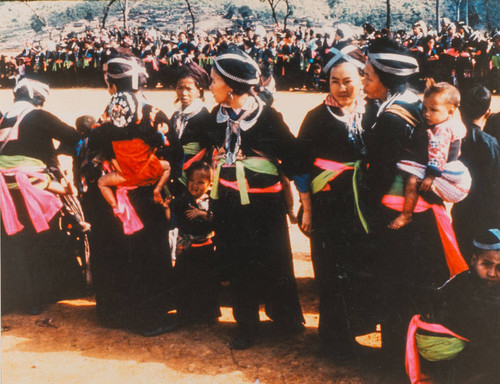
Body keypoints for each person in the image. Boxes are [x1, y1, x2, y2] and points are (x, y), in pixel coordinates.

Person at [362, 37, 469, 367]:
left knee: (396, 290)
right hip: (426, 216)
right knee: (414, 289)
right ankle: (410, 357)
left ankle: (397, 360)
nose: (364, 81)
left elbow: (377, 176)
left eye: (367, 76)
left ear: (386, 79)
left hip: (401, 217)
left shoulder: (394, 118)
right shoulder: (415, 105)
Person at [208, 47, 304, 350]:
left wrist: (303, 200)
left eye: (213, 81)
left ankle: (285, 317)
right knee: (239, 263)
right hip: (228, 204)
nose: (209, 86)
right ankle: (247, 325)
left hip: (265, 206)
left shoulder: (268, 118)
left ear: (232, 88)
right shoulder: (216, 116)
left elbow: (295, 158)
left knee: (274, 258)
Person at [85, 54, 182, 336]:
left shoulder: (106, 115)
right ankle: (150, 318)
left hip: (119, 195)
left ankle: (116, 313)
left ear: (112, 83)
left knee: (122, 254)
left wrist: (114, 160)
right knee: (149, 255)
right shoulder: (152, 113)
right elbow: (173, 149)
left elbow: (93, 144)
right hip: (147, 196)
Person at [296, 44, 375, 358]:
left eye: (348, 80)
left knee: (357, 267)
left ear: (360, 80)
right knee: (330, 270)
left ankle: (353, 332)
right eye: (334, 81)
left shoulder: (371, 113)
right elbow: (300, 165)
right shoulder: (316, 118)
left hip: (360, 207)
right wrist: (307, 207)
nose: (342, 88)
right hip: (327, 206)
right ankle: (332, 340)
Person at [0, 78, 85, 314]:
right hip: (35, 191)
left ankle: (17, 299)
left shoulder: (4, 117)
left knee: (14, 243)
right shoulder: (39, 117)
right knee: (43, 239)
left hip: (5, 193)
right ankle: (49, 293)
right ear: (39, 99)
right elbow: (74, 137)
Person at [405, 228, 500, 384]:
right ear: (474, 260)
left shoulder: (468, 279)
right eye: (486, 264)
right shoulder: (466, 288)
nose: (492, 273)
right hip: (445, 352)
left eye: (499, 268)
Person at [389, 80, 470, 230]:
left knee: (412, 181)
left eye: (433, 110)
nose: (426, 114)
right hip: (453, 171)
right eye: (424, 108)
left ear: (451, 111)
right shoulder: (454, 122)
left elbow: (438, 153)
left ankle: (406, 214)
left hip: (442, 171)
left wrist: (431, 176)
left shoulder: (441, 130)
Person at [97, 90, 171, 215]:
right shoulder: (145, 130)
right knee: (167, 166)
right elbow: (160, 142)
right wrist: (161, 133)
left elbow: (106, 150)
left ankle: (115, 206)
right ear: (137, 111)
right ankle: (157, 190)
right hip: (148, 170)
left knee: (101, 183)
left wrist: (105, 123)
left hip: (125, 176)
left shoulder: (107, 132)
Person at [169, 161, 220, 326]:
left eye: (200, 182)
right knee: (185, 282)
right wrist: (166, 206)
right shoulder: (183, 201)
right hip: (187, 250)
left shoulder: (212, 202)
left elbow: (217, 220)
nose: (195, 185)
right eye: (191, 181)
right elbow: (172, 215)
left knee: (206, 283)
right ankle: (186, 314)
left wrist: (202, 214)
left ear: (209, 184)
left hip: (205, 251)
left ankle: (208, 315)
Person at [453, 85, 500, 259]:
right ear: (487, 111)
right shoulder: (489, 143)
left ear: (460, 108)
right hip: (483, 211)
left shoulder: (453, 137)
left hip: (461, 207)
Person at [170, 60, 212, 189]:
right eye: (180, 88)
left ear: (199, 90)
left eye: (189, 89)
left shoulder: (204, 116)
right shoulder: (177, 114)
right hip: (175, 170)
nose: (183, 93)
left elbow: (208, 150)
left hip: (193, 177)